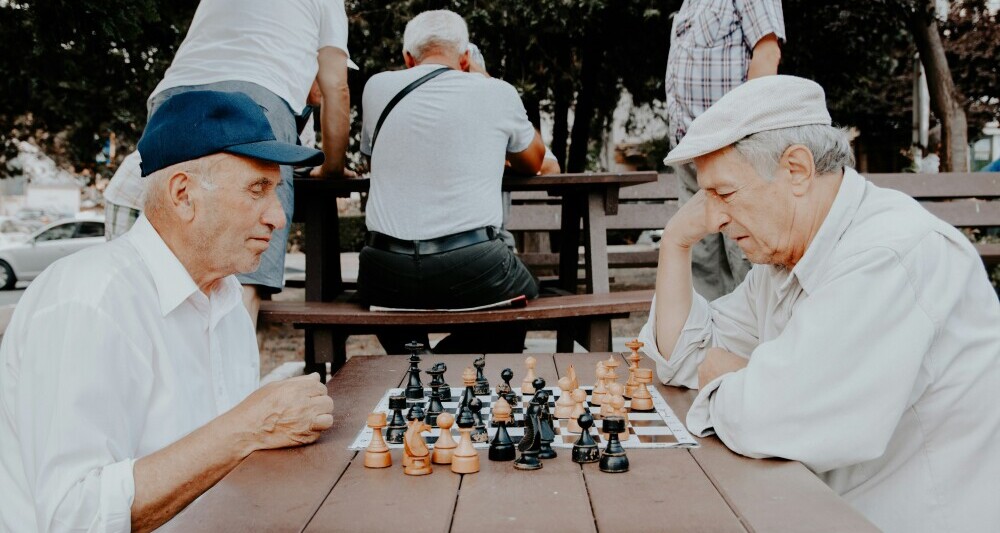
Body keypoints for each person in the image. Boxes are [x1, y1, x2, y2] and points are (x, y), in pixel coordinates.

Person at [637, 75, 1000, 532]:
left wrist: (737, 376)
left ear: (796, 170)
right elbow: (684, 358)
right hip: (821, 506)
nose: (716, 217)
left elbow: (770, 421)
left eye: (725, 194)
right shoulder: (785, 260)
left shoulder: (889, 255)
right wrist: (674, 242)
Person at [0, 91, 336, 532]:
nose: (277, 215)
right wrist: (248, 428)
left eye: (276, 191)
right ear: (183, 195)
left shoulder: (226, 296)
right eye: (258, 189)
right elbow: (73, 516)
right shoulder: (89, 300)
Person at [103, 0, 354, 327]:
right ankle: (232, 375)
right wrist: (333, 168)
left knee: (167, 262)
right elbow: (336, 86)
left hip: (174, 95)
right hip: (257, 95)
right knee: (245, 267)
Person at [357, 9, 546, 354]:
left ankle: (413, 357)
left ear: (407, 58)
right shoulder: (496, 92)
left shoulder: (376, 87)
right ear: (465, 58)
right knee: (524, 295)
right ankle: (442, 363)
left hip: (384, 270)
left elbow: (375, 156)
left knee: (388, 293)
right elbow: (533, 161)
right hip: (473, 263)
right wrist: (484, 76)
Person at [664, 0, 784, 300]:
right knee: (700, 260)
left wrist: (742, 135)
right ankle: (707, 343)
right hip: (690, 151)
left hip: (731, 148)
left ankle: (757, 342)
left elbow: (767, 53)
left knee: (745, 257)